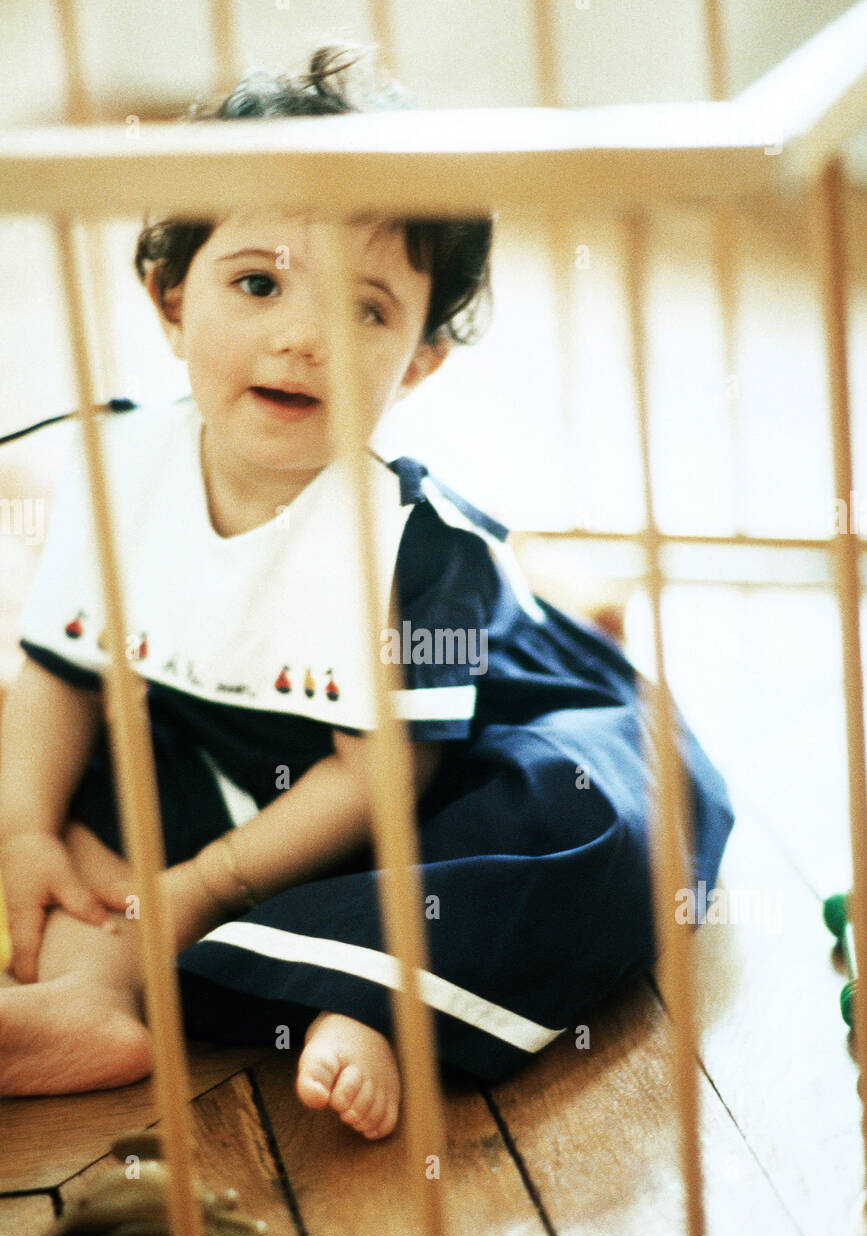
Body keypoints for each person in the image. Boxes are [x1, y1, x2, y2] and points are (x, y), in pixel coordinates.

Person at [0, 46, 735, 1139]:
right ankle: (91, 1001)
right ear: (169, 298)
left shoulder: (425, 553)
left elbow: (389, 772)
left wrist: (207, 883)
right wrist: (24, 829)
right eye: (258, 283)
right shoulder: (115, 469)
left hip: (443, 759)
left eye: (370, 311)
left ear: (421, 360)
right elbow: (59, 672)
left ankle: (372, 991)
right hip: (220, 740)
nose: (303, 337)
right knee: (64, 782)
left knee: (606, 823)